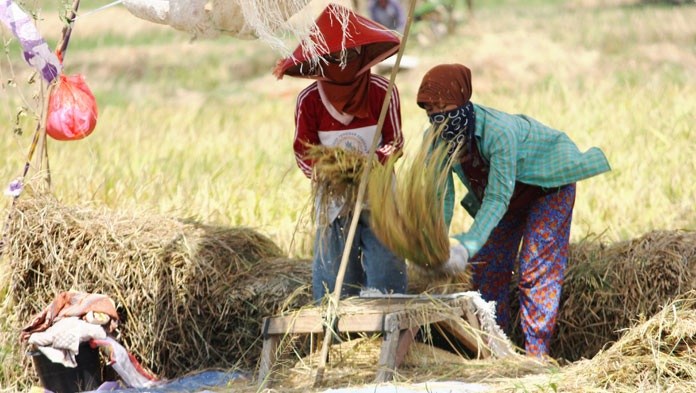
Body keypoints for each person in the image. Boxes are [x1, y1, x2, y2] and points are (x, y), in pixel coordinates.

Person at [417, 64, 610, 358]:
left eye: (444, 106)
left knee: (535, 269)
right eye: (430, 109)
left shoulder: (499, 131)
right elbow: (440, 195)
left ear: (462, 98)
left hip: (547, 187)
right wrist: (436, 245)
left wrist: (467, 244)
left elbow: (496, 197)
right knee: (485, 269)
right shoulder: (435, 139)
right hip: (508, 198)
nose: (437, 116)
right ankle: (499, 351)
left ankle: (536, 356)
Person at [274, 5, 407, 300]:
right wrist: (331, 173)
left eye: (350, 55)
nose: (343, 63)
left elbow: (395, 141)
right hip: (332, 198)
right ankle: (336, 332)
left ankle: (388, 325)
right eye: (335, 57)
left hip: (379, 193)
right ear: (322, 59)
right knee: (334, 277)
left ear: (363, 54)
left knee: (387, 268)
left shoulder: (382, 92)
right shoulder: (309, 100)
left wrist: (373, 166)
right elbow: (303, 151)